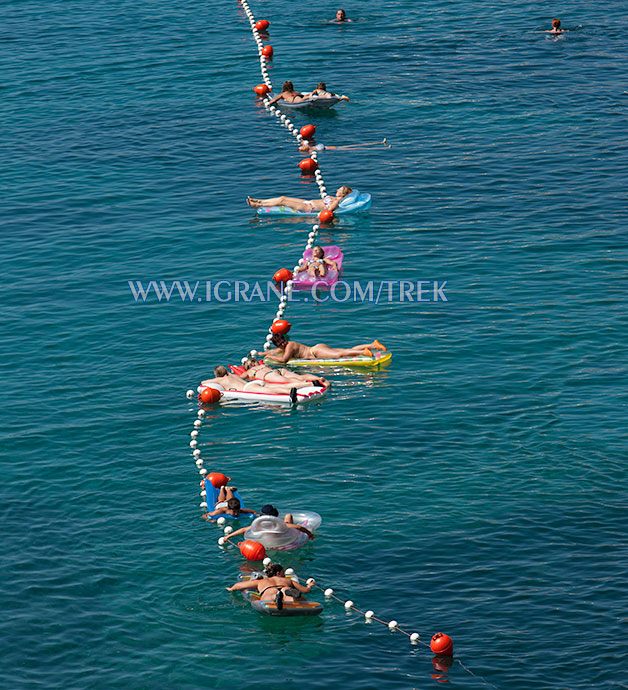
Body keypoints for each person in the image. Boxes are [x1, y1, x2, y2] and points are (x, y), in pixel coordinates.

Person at [226, 563, 315, 609]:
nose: (284, 575)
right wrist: (309, 586)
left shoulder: (261, 581)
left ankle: (275, 597)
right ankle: (291, 596)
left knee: (269, 596)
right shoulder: (287, 580)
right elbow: (305, 590)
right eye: (283, 573)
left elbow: (239, 585)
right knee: (291, 599)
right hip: (285, 587)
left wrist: (231, 589)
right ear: (278, 573)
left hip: (269, 589)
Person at [201, 365, 313, 402]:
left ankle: (290, 392)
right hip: (256, 382)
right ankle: (308, 384)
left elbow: (203, 383)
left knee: (272, 391)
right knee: (281, 385)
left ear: (217, 375)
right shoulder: (233, 375)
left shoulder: (220, 380)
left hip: (249, 388)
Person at [265, 333, 387, 362]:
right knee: (345, 350)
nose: (283, 344)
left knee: (339, 355)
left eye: (283, 341)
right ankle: (373, 345)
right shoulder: (285, 346)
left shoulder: (289, 345)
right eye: (280, 343)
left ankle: (364, 352)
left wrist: (270, 357)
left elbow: (284, 360)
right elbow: (276, 351)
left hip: (316, 352)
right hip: (317, 348)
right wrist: (262, 354)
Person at [222, 504, 315, 543]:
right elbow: (298, 527)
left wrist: (228, 536)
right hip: (281, 539)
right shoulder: (280, 525)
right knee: (288, 516)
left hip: (268, 541)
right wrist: (309, 533)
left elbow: (243, 530)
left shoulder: (259, 526)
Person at [247, 185, 353, 213]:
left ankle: (257, 205)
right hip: (307, 202)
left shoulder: (336, 202)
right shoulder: (334, 198)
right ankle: (259, 200)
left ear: (343, 194)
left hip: (308, 207)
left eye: (340, 189)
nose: (337, 189)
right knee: (282, 197)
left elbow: (329, 211)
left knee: (282, 202)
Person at [242, 358, 330, 387]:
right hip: (278, 370)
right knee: (300, 376)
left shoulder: (249, 371)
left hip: (268, 375)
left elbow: (240, 377)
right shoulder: (263, 365)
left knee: (288, 381)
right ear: (253, 363)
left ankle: (310, 384)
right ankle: (318, 378)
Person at [298, 138, 390, 153]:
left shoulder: (308, 147)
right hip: (332, 149)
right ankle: (381, 146)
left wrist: (302, 142)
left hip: (330, 147)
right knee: (356, 147)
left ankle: (381, 143)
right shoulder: (311, 151)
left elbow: (304, 141)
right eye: (302, 148)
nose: (302, 147)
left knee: (354, 146)